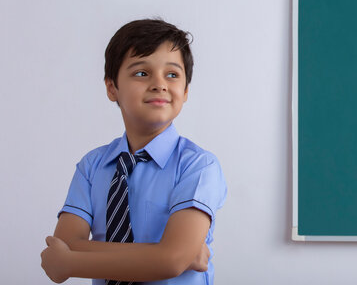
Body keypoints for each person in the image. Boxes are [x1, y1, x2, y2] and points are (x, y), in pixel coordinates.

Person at [40, 19, 227, 285]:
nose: (159, 84)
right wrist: (163, 256)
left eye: (172, 74)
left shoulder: (197, 166)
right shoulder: (92, 166)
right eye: (142, 73)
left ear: (185, 91)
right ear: (112, 88)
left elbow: (172, 260)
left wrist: (71, 262)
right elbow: (65, 242)